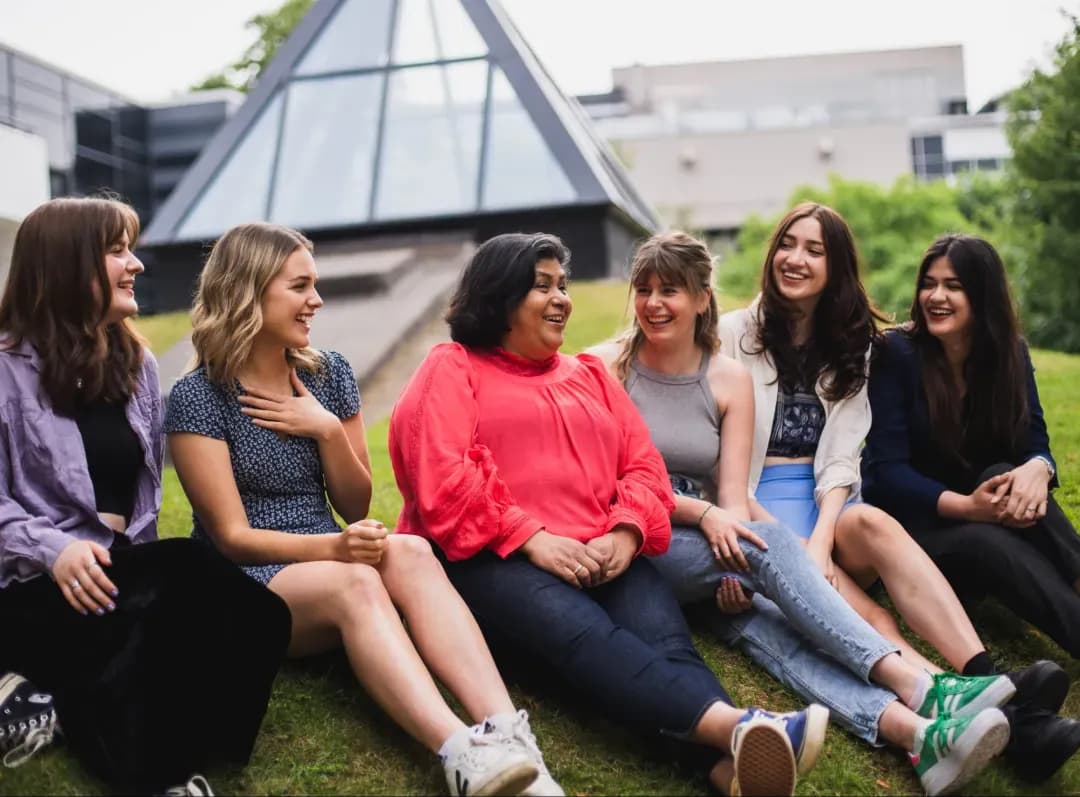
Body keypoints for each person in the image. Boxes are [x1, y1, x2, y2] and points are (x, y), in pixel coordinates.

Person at [388, 231, 832, 797]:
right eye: (542, 286)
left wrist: (625, 533)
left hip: (603, 552)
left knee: (667, 648)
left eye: (563, 285)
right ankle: (744, 726)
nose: (561, 299)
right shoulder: (453, 367)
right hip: (493, 562)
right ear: (499, 298)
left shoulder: (589, 375)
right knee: (592, 640)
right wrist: (531, 537)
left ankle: (726, 772)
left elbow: (643, 466)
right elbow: (441, 478)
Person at [591, 231, 1014, 796]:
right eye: (643, 289)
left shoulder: (726, 379)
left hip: (710, 546)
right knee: (775, 545)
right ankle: (920, 686)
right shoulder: (604, 369)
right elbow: (607, 480)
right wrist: (711, 520)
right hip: (644, 534)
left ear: (700, 296)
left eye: (670, 289)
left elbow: (736, 496)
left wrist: (732, 557)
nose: (653, 303)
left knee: (777, 634)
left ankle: (915, 736)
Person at [165, 222, 551, 797]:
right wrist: (335, 549)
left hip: (328, 554)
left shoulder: (329, 374)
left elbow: (354, 502)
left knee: (413, 550)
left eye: (314, 285)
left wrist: (325, 430)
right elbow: (230, 536)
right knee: (357, 585)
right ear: (249, 291)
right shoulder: (199, 397)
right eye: (299, 287)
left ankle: (509, 735)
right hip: (244, 582)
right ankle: (460, 753)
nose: (315, 300)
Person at [718, 206, 1080, 781]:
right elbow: (723, 458)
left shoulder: (851, 342)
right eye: (788, 244)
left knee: (878, 527)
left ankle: (983, 675)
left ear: (835, 267)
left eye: (815, 250)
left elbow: (840, 459)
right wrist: (790, 548)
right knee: (875, 625)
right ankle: (1018, 721)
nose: (796, 258)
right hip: (758, 500)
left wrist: (820, 540)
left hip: (825, 497)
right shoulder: (733, 333)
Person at [0, 197, 291, 795]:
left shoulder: (136, 365)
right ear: (64, 264)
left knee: (259, 615)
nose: (134, 264)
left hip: (115, 570)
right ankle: (162, 780)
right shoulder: (4, 368)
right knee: (183, 581)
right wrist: (53, 548)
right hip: (28, 583)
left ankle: (44, 695)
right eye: (116, 250)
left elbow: (143, 502)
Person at [862, 234, 1080, 774]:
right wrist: (966, 506)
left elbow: (1033, 441)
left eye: (953, 286)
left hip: (991, 508)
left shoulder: (1010, 354)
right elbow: (882, 473)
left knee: (1008, 473)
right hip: (921, 532)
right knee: (987, 529)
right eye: (929, 284)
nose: (937, 296)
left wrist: (1039, 468)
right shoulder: (897, 354)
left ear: (981, 296)